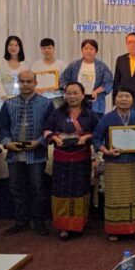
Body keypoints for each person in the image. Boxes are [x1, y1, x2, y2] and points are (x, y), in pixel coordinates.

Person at [0, 70, 52, 236]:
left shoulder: (46, 103)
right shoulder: (8, 104)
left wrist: (40, 142)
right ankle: (20, 221)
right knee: (16, 189)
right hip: (14, 154)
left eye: (29, 81)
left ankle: (39, 222)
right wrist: (7, 143)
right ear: (18, 83)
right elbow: (3, 127)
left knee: (37, 189)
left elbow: (50, 127)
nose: (26, 84)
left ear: (35, 83)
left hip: (36, 153)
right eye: (22, 81)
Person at [43, 82, 99, 240]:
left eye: (75, 93)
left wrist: (86, 137)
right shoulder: (57, 113)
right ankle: (64, 227)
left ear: (82, 95)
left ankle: (79, 224)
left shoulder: (90, 114)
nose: (72, 96)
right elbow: (46, 130)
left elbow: (98, 132)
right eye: (69, 93)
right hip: (62, 159)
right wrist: (55, 138)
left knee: (80, 190)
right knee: (62, 191)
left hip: (82, 158)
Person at [94, 87, 135, 241]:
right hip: (114, 163)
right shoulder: (107, 118)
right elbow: (96, 138)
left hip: (134, 163)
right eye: (120, 96)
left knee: (134, 196)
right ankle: (114, 229)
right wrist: (106, 151)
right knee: (115, 197)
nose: (123, 99)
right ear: (115, 99)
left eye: (127, 96)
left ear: (133, 99)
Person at [61, 38, 113, 121]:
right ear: (82, 50)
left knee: (95, 124)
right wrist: (71, 91)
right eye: (86, 48)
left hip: (95, 102)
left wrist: (97, 91)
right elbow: (63, 79)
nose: (88, 51)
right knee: (77, 123)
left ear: (96, 51)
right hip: (77, 100)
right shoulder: (74, 65)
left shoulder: (102, 66)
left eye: (91, 49)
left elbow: (109, 82)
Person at [0, 35, 30, 110]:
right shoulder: (0, 62)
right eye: (10, 45)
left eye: (16, 45)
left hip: (22, 100)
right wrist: (3, 97)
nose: (13, 48)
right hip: (4, 99)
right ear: (7, 47)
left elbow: (28, 82)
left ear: (20, 47)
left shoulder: (26, 63)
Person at [31, 38, 67, 102]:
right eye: (44, 48)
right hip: (39, 98)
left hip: (57, 98)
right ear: (41, 49)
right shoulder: (35, 65)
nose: (46, 50)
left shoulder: (62, 65)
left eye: (49, 48)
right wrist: (35, 89)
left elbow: (65, 83)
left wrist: (57, 88)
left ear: (54, 48)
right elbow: (31, 81)